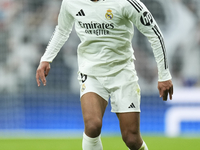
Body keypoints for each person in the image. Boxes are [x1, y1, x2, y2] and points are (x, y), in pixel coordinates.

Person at [36, 0, 173, 149]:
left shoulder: (126, 3)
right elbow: (62, 30)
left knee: (131, 138)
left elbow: (154, 34)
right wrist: (46, 58)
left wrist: (164, 75)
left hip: (122, 73)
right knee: (93, 125)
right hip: (90, 73)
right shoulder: (71, 2)